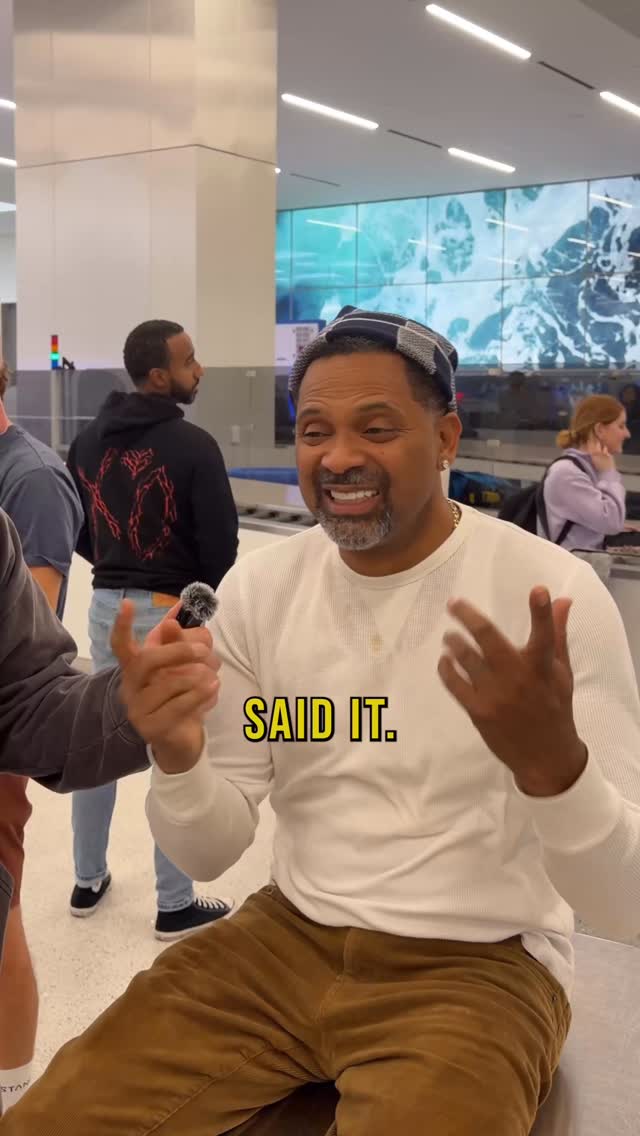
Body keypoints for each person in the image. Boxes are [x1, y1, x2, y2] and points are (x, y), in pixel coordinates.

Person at [7, 307, 640, 1136]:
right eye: (314, 431)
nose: (339, 457)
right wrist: (181, 756)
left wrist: (557, 773)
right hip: (282, 939)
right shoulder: (260, 593)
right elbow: (209, 850)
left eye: (376, 428)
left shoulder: (551, 598)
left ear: (446, 437)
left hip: (482, 964)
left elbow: (625, 906)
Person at [0, 503, 221, 1117]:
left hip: (119, 608)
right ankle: (157, 896)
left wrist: (129, 702)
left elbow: (24, 699)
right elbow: (218, 540)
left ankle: (98, 879)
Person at [66, 320, 238, 939]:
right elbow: (221, 548)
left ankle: (87, 880)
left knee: (100, 743)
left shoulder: (85, 443)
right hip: (170, 610)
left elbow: (80, 530)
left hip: (106, 609)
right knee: (171, 744)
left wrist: (119, 570)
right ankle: (174, 902)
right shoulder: (194, 447)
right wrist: (190, 612)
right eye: (190, 361)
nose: (201, 369)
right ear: (161, 376)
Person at [0, 359, 83, 1112]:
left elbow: (34, 615)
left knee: (6, 915)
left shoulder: (30, 479)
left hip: (5, 732)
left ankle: (13, 1092)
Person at [540, 395, 629, 560]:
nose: (627, 434)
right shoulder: (567, 473)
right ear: (600, 429)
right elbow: (611, 522)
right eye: (621, 426)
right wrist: (609, 473)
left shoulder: (588, 468)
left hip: (584, 567)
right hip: (569, 570)